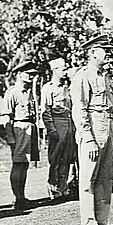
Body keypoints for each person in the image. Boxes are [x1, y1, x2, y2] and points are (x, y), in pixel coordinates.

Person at [71, 34, 113, 225]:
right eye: (104, 50)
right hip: (92, 125)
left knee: (106, 176)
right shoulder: (82, 76)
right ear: (92, 53)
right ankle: (88, 222)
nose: (108, 54)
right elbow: (79, 109)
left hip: (107, 125)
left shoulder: (104, 77)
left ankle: (102, 220)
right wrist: (88, 137)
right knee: (88, 177)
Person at [3, 61, 40, 209]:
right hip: (19, 128)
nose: (31, 77)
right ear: (19, 75)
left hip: (30, 127)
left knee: (25, 165)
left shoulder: (29, 91)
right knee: (18, 164)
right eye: (28, 74)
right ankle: (17, 198)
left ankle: (22, 196)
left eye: (33, 74)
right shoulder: (12, 92)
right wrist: (10, 137)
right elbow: (7, 118)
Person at [41, 58, 77, 200]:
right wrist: (51, 129)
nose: (65, 71)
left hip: (68, 123)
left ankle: (63, 187)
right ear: (54, 71)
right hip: (57, 124)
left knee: (67, 158)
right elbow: (46, 111)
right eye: (63, 69)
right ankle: (53, 187)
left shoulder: (66, 87)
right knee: (55, 158)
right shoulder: (48, 88)